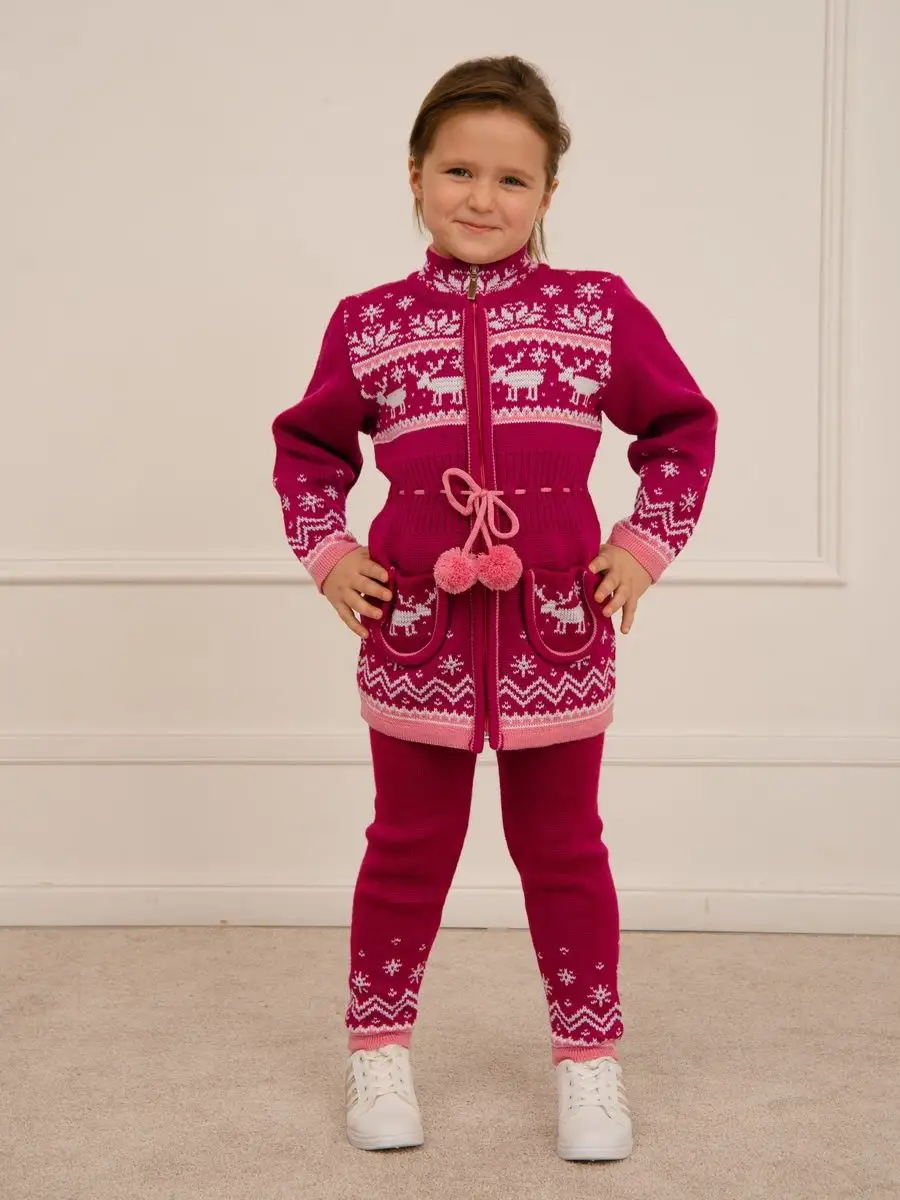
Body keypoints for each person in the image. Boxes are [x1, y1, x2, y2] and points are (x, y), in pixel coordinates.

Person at [271, 55, 717, 1161]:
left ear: (548, 192)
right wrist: (329, 554)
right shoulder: (370, 323)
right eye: (459, 171)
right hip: (415, 635)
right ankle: (379, 1046)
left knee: (564, 850)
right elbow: (308, 451)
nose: (483, 198)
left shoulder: (595, 311)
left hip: (555, 632)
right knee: (406, 847)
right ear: (416, 176)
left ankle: (589, 1059)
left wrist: (642, 546)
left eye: (512, 179)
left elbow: (681, 430)